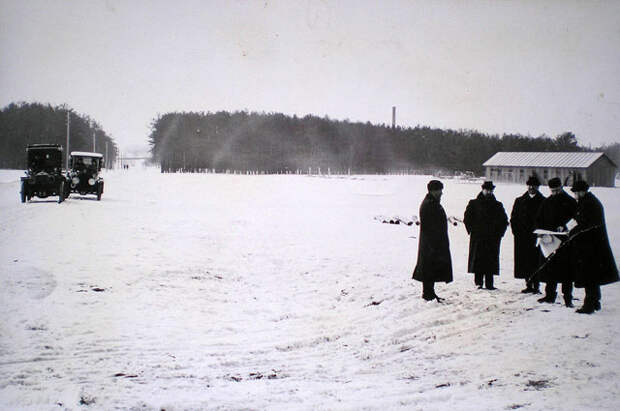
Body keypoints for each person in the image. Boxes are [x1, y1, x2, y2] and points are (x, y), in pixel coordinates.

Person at [568, 180, 619, 314]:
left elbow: (585, 224)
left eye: (576, 192)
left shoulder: (590, 204)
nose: (575, 195)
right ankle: (595, 301)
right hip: (591, 245)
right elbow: (577, 220)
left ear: (582, 191)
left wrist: (571, 232)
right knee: (592, 275)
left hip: (591, 246)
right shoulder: (587, 202)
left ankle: (589, 305)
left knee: (589, 275)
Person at [534, 177, 577, 307]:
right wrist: (540, 232)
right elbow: (538, 219)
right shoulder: (546, 202)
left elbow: (575, 219)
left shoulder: (570, 202)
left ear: (562, 188)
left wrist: (565, 226)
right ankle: (549, 295)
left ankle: (568, 298)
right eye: (553, 191)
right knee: (550, 270)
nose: (555, 193)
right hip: (549, 241)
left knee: (566, 272)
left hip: (565, 242)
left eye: (557, 190)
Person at [412, 180, 453, 302]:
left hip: (433, 242)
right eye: (439, 190)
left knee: (431, 268)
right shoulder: (429, 204)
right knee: (429, 268)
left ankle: (430, 292)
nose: (441, 193)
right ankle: (428, 293)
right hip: (431, 243)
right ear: (433, 191)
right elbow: (430, 226)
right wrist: (435, 242)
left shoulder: (432, 203)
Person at [464, 180, 509, 290]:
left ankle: (490, 284)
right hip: (478, 237)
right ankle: (478, 283)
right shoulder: (474, 203)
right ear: (482, 189)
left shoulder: (498, 205)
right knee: (478, 260)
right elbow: (467, 218)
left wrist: (499, 234)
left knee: (490, 260)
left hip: (492, 238)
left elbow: (504, 220)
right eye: (486, 190)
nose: (488, 192)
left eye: (490, 190)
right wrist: (472, 231)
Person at [510, 175, 545, 293]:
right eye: (529, 185)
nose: (531, 188)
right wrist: (516, 232)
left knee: (536, 261)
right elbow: (513, 218)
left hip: (536, 237)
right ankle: (528, 284)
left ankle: (536, 285)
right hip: (522, 237)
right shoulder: (519, 200)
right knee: (524, 261)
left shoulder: (543, 201)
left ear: (538, 187)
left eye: (534, 186)